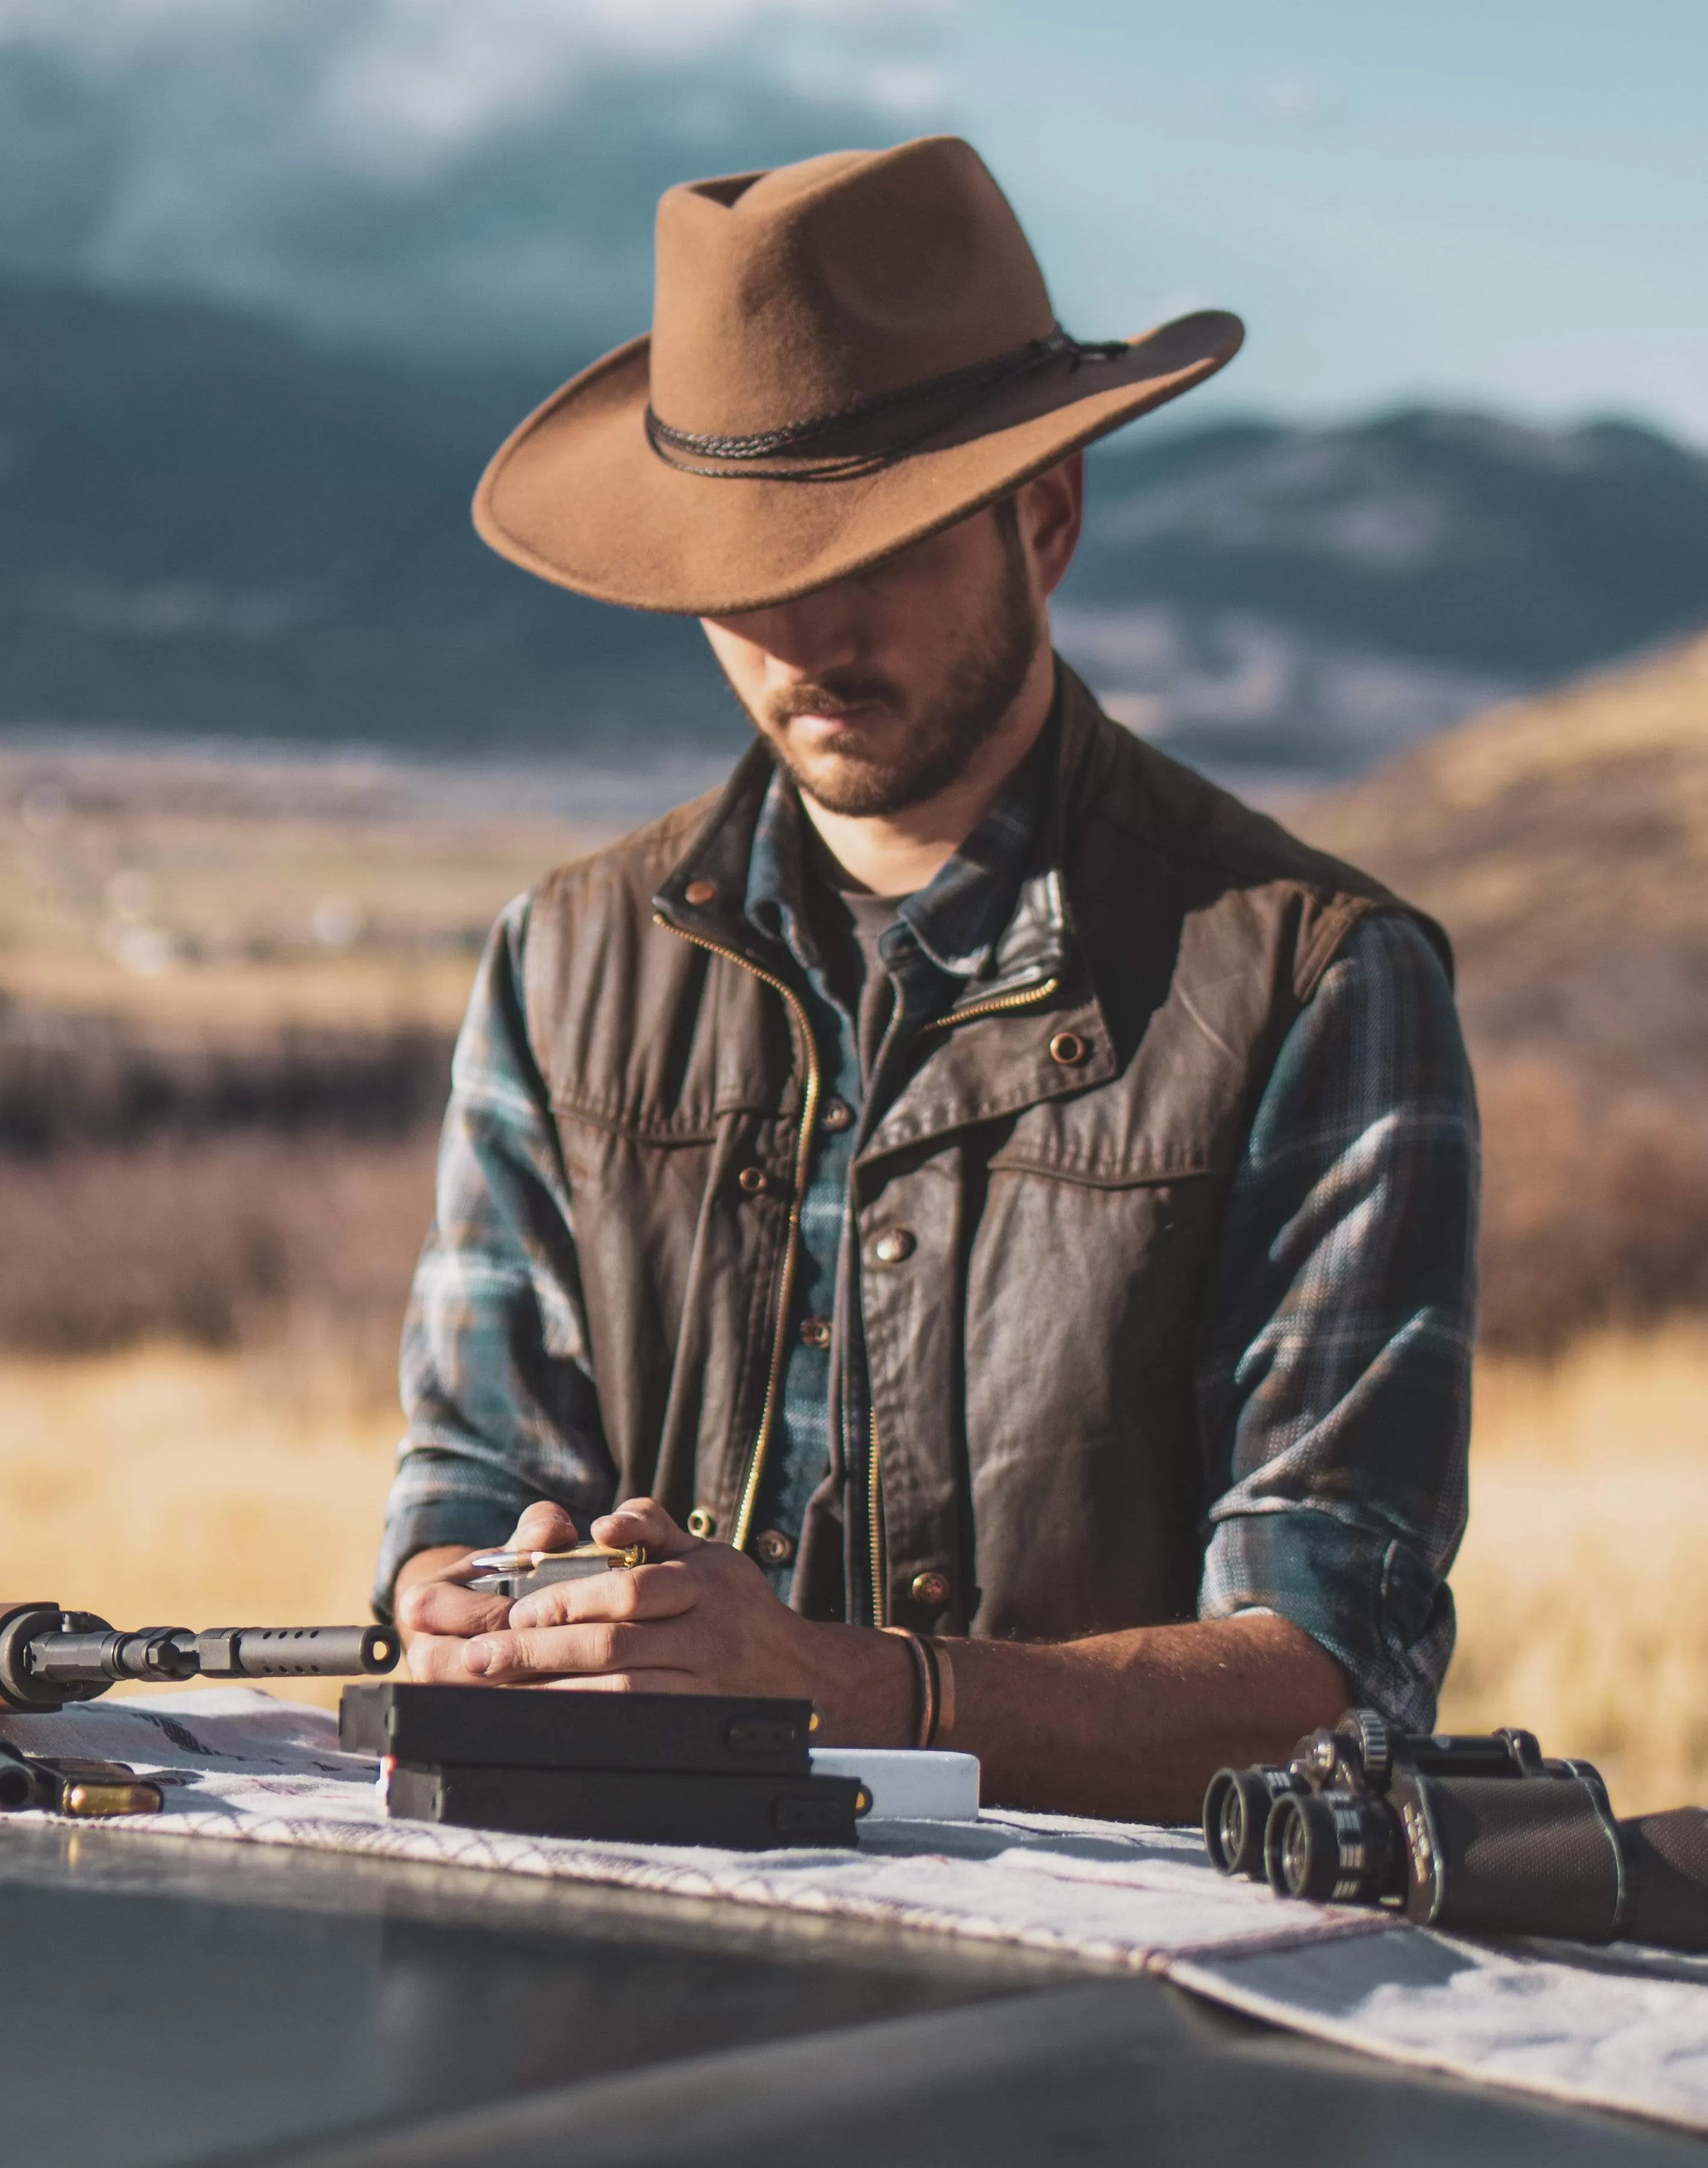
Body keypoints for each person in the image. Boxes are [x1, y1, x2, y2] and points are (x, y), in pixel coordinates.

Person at [378, 136, 1476, 1823]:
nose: (798, 635)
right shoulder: (565, 961)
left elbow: (1333, 1670)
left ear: (1044, 521)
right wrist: (468, 1608)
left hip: (1101, 2016)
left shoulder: (1313, 981)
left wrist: (840, 1689)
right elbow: (465, 1480)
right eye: (737, 573)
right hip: (621, 1967)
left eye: (867, 547)